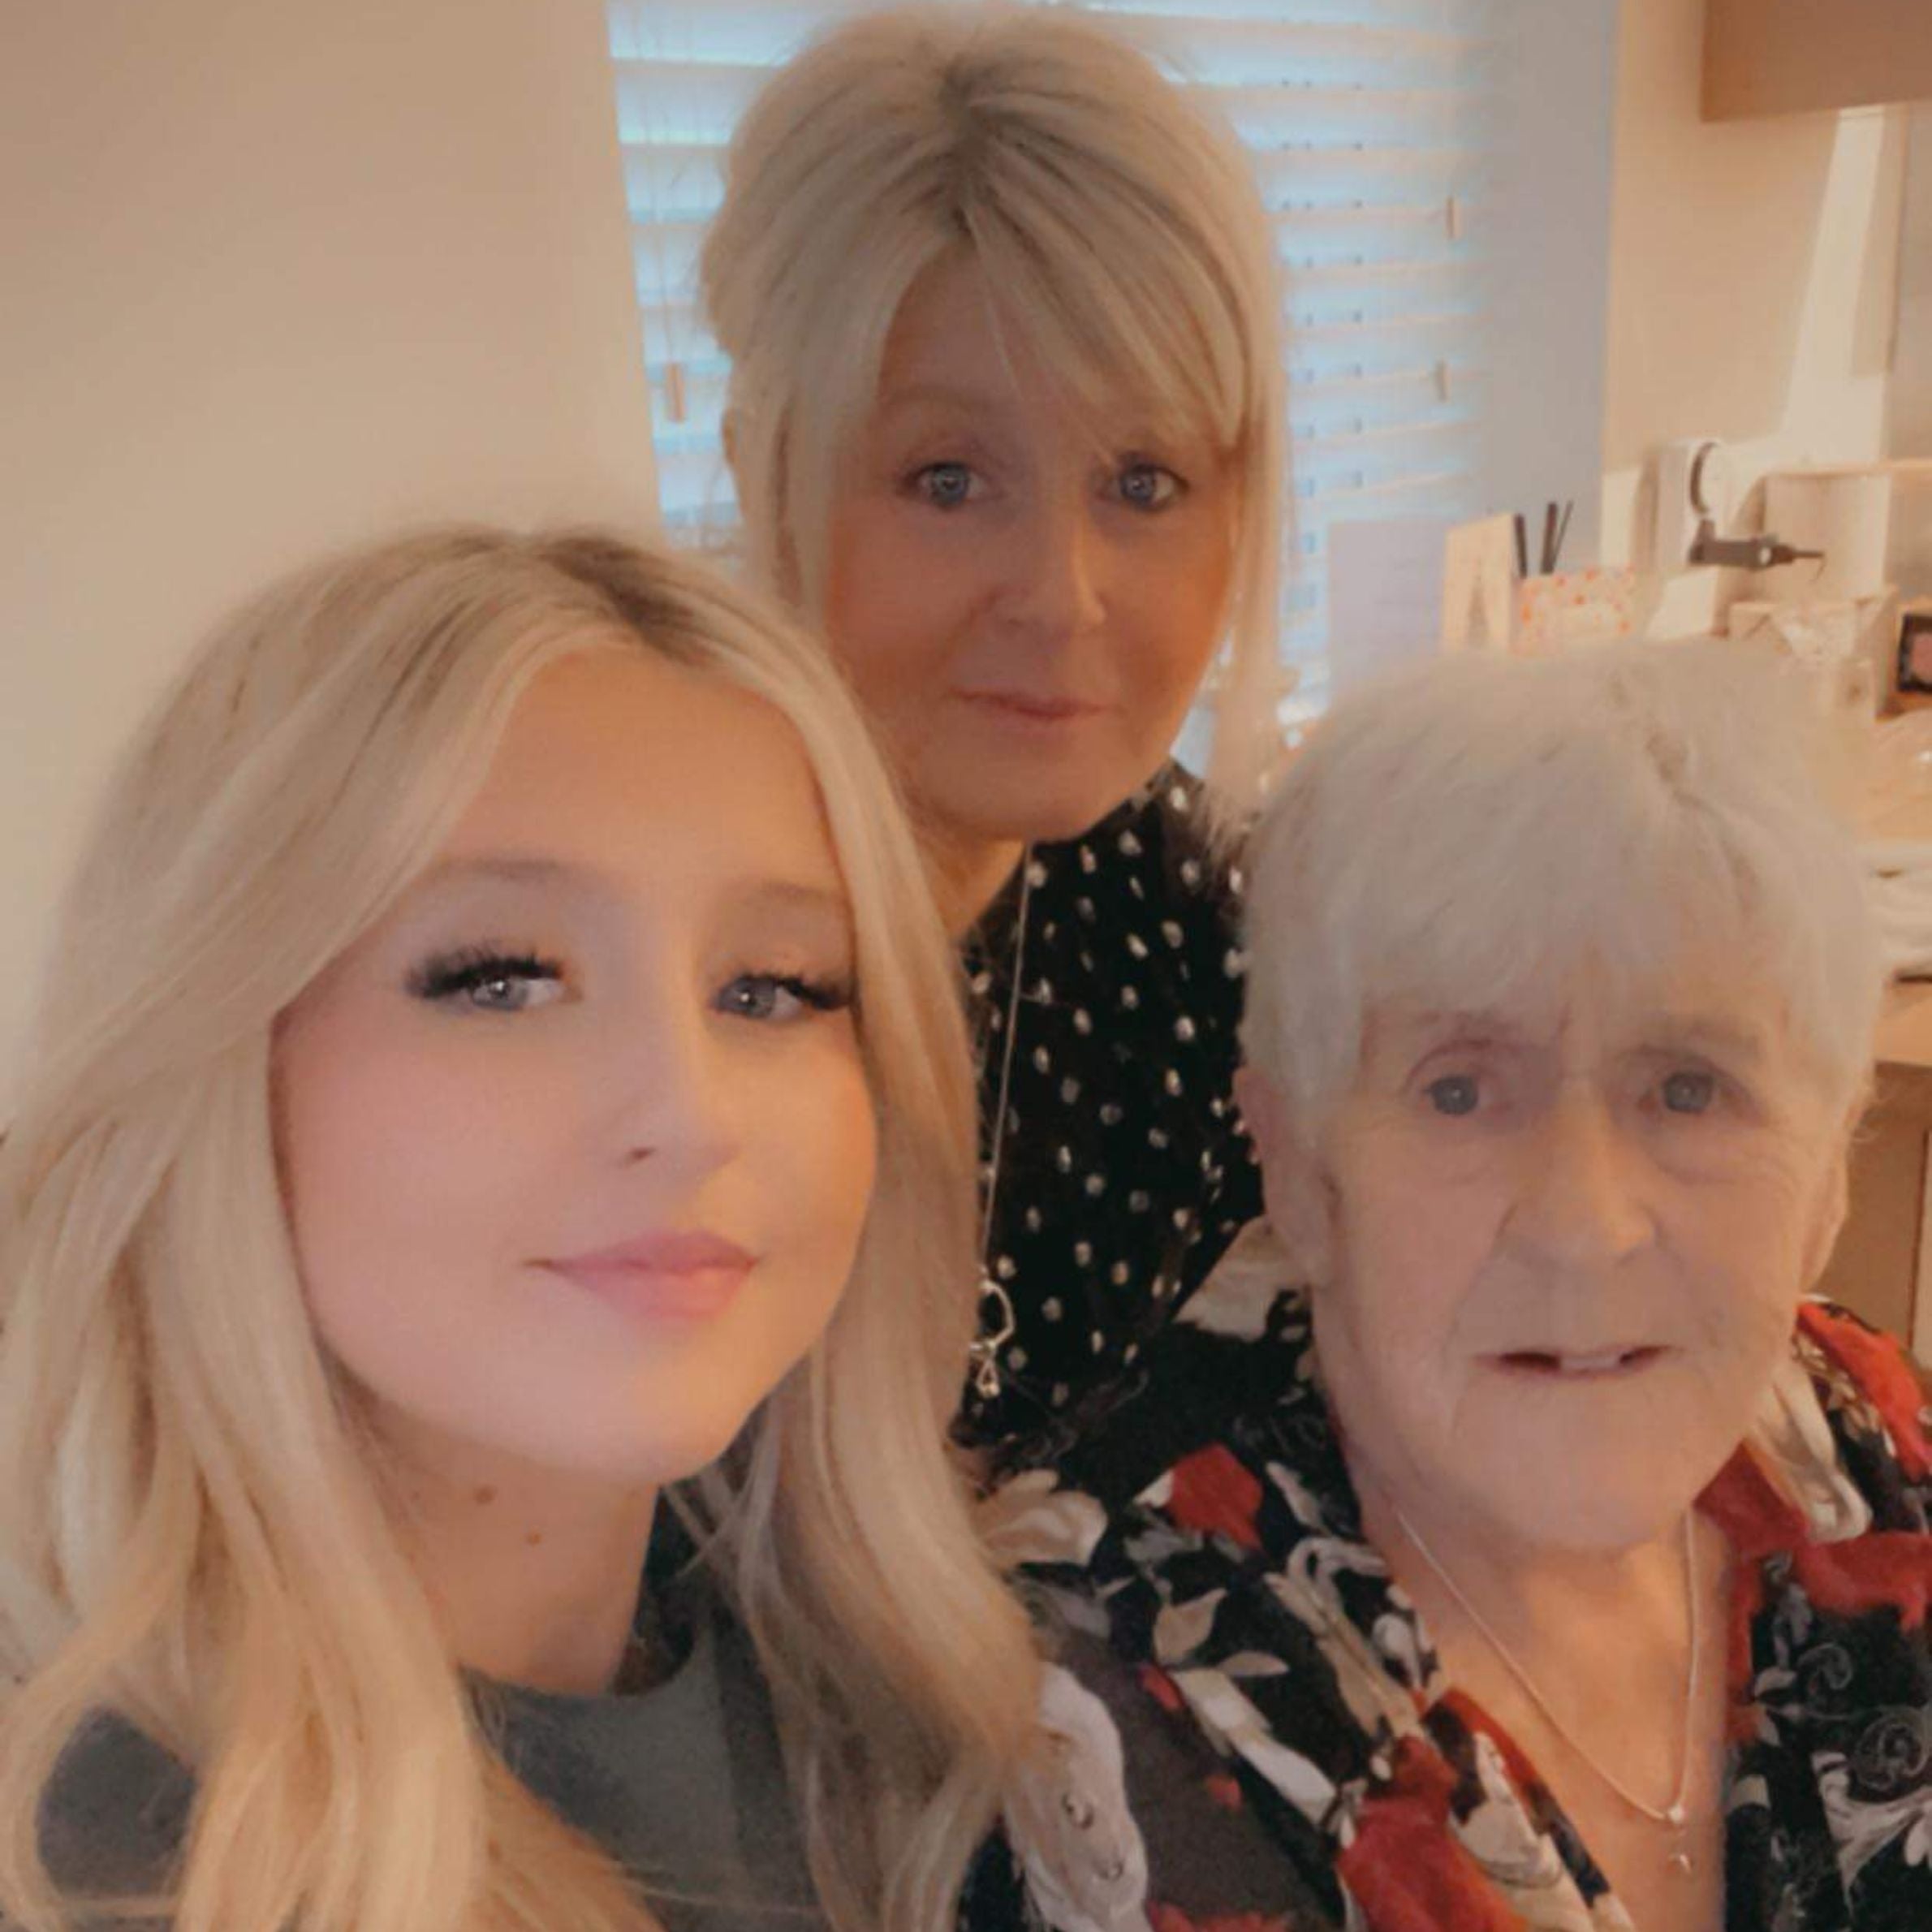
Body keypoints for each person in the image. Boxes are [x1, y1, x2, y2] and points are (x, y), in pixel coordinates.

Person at [0, 529, 1050, 1932]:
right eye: (501, 978)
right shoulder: (87, 1856)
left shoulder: (910, 1734)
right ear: (218, 1058)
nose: (691, 1112)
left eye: (776, 987)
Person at [985, 641, 1932, 1931]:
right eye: (1460, 1090)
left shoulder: (1869, 1449)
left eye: (1689, 1087)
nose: (1585, 1226)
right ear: (1298, 1173)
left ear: (1829, 1168)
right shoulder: (1112, 1698)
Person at [699, 2, 1287, 1462]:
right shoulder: (614, 924)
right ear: (764, 465)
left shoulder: (1206, 936)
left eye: (1143, 482)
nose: (1062, 598)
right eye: (949, 479)